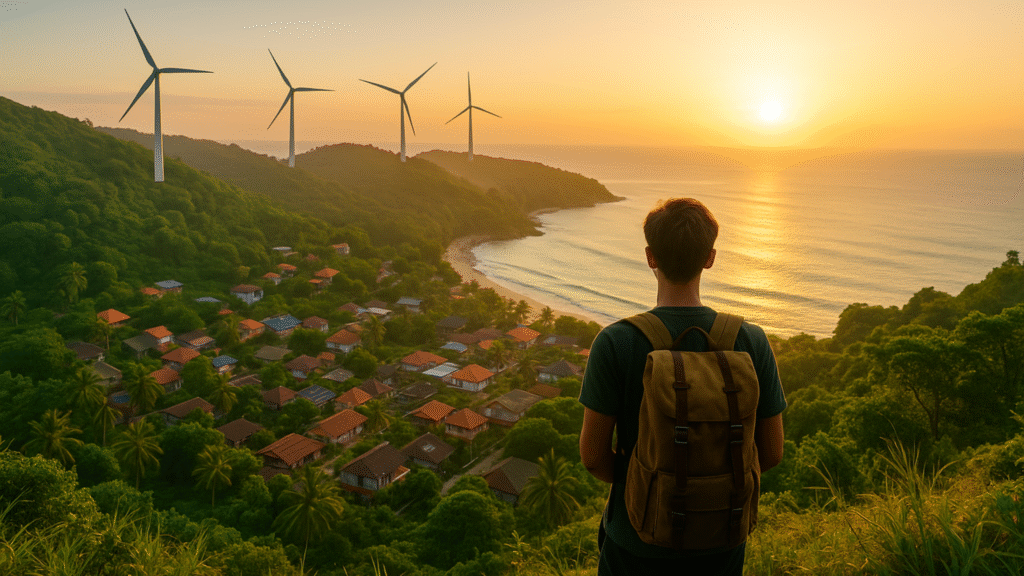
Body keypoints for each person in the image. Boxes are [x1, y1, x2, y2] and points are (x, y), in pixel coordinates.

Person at [579, 197, 787, 576]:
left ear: (650, 257)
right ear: (710, 257)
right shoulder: (750, 341)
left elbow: (593, 456)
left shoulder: (615, 342)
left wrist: (646, 481)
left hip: (635, 543)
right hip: (721, 539)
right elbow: (771, 453)